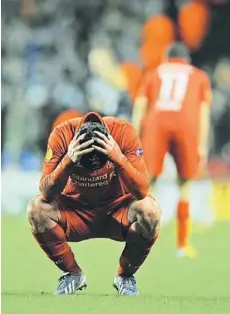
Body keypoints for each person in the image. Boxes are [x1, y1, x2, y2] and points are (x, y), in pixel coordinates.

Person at [27, 111, 161, 295]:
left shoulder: (124, 132)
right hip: (75, 211)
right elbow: (46, 193)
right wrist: (68, 160)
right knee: (36, 210)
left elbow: (142, 191)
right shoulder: (62, 134)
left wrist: (117, 156)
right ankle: (72, 273)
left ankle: (125, 276)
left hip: (116, 209)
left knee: (150, 210)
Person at [132, 42, 212, 258]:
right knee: (185, 185)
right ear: (186, 59)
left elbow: (140, 105)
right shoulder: (198, 75)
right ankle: (182, 245)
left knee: (148, 185)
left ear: (167, 58)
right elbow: (204, 113)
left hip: (156, 125)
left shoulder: (154, 73)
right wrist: (202, 144)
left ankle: (140, 240)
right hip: (187, 126)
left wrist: (135, 137)